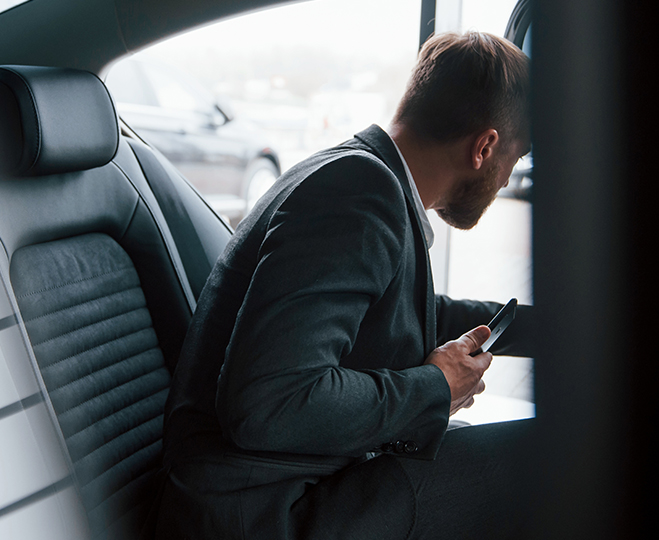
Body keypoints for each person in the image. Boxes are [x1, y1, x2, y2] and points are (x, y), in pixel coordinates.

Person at [155, 31, 535, 540]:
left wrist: (545, 331)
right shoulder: (360, 195)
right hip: (269, 512)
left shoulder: (360, 175)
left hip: (290, 486)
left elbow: (406, 310)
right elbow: (271, 404)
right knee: (548, 456)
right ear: (485, 147)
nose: (508, 177)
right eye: (515, 158)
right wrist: (435, 387)